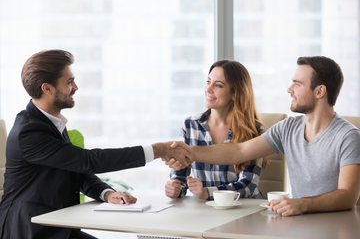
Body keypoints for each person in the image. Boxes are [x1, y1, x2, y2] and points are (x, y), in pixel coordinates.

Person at [0, 49, 192, 239]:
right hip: (29, 230)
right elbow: (88, 161)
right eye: (69, 81)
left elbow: (75, 169)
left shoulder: (50, 121)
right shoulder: (29, 131)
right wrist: (157, 150)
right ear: (47, 88)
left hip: (58, 226)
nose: (75, 87)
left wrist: (106, 193)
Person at [167, 56, 360, 216]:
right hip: (299, 222)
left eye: (297, 84)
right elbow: (239, 150)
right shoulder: (288, 128)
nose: (289, 89)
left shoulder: (348, 137)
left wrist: (301, 204)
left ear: (320, 91)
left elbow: (348, 196)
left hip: (336, 226)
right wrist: (190, 151)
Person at [165, 60, 267, 200]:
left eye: (218, 85)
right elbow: (180, 174)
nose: (208, 89)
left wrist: (208, 192)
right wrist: (176, 187)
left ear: (235, 93)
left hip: (244, 208)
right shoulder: (190, 126)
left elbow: (247, 185)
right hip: (206, 210)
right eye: (208, 81)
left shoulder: (254, 131)